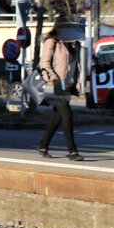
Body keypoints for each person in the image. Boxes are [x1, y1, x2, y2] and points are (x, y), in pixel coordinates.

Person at [37, 23, 82, 161]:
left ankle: (43, 145)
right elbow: (44, 63)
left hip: (67, 85)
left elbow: (76, 66)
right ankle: (72, 151)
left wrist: (77, 84)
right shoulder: (52, 41)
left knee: (56, 118)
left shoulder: (72, 44)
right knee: (67, 115)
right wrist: (55, 79)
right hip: (56, 85)